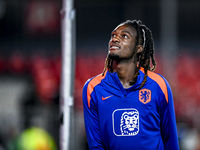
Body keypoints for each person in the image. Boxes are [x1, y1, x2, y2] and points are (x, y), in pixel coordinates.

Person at [82, 20, 179, 150]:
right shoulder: (93, 89)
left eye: (124, 36)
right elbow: (96, 145)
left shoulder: (158, 85)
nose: (115, 39)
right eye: (113, 35)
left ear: (138, 48)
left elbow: (170, 141)